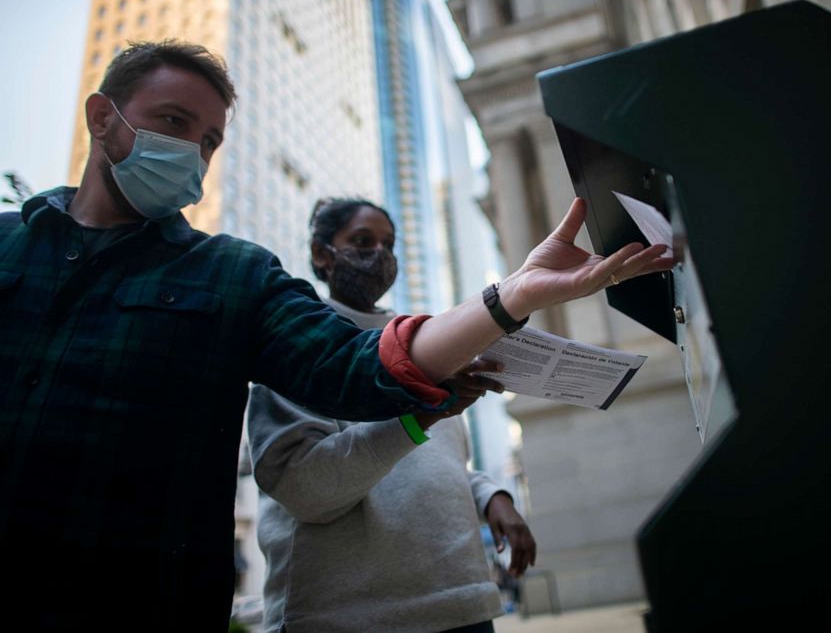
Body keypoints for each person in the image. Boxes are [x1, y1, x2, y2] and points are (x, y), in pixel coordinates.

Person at [0, 40, 671, 631]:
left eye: (209, 140)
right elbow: (312, 479)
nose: (193, 153)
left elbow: (356, 369)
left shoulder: (235, 275)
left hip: (146, 603)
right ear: (102, 117)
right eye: (175, 123)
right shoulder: (9, 246)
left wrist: (514, 295)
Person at [248, 197, 536, 633]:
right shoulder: (295, 347)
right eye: (362, 242)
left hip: (463, 606)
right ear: (321, 254)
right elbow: (304, 488)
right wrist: (422, 412)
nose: (380, 255)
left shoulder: (427, 341)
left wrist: (493, 497)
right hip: (347, 619)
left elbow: (435, 464)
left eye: (389, 244)